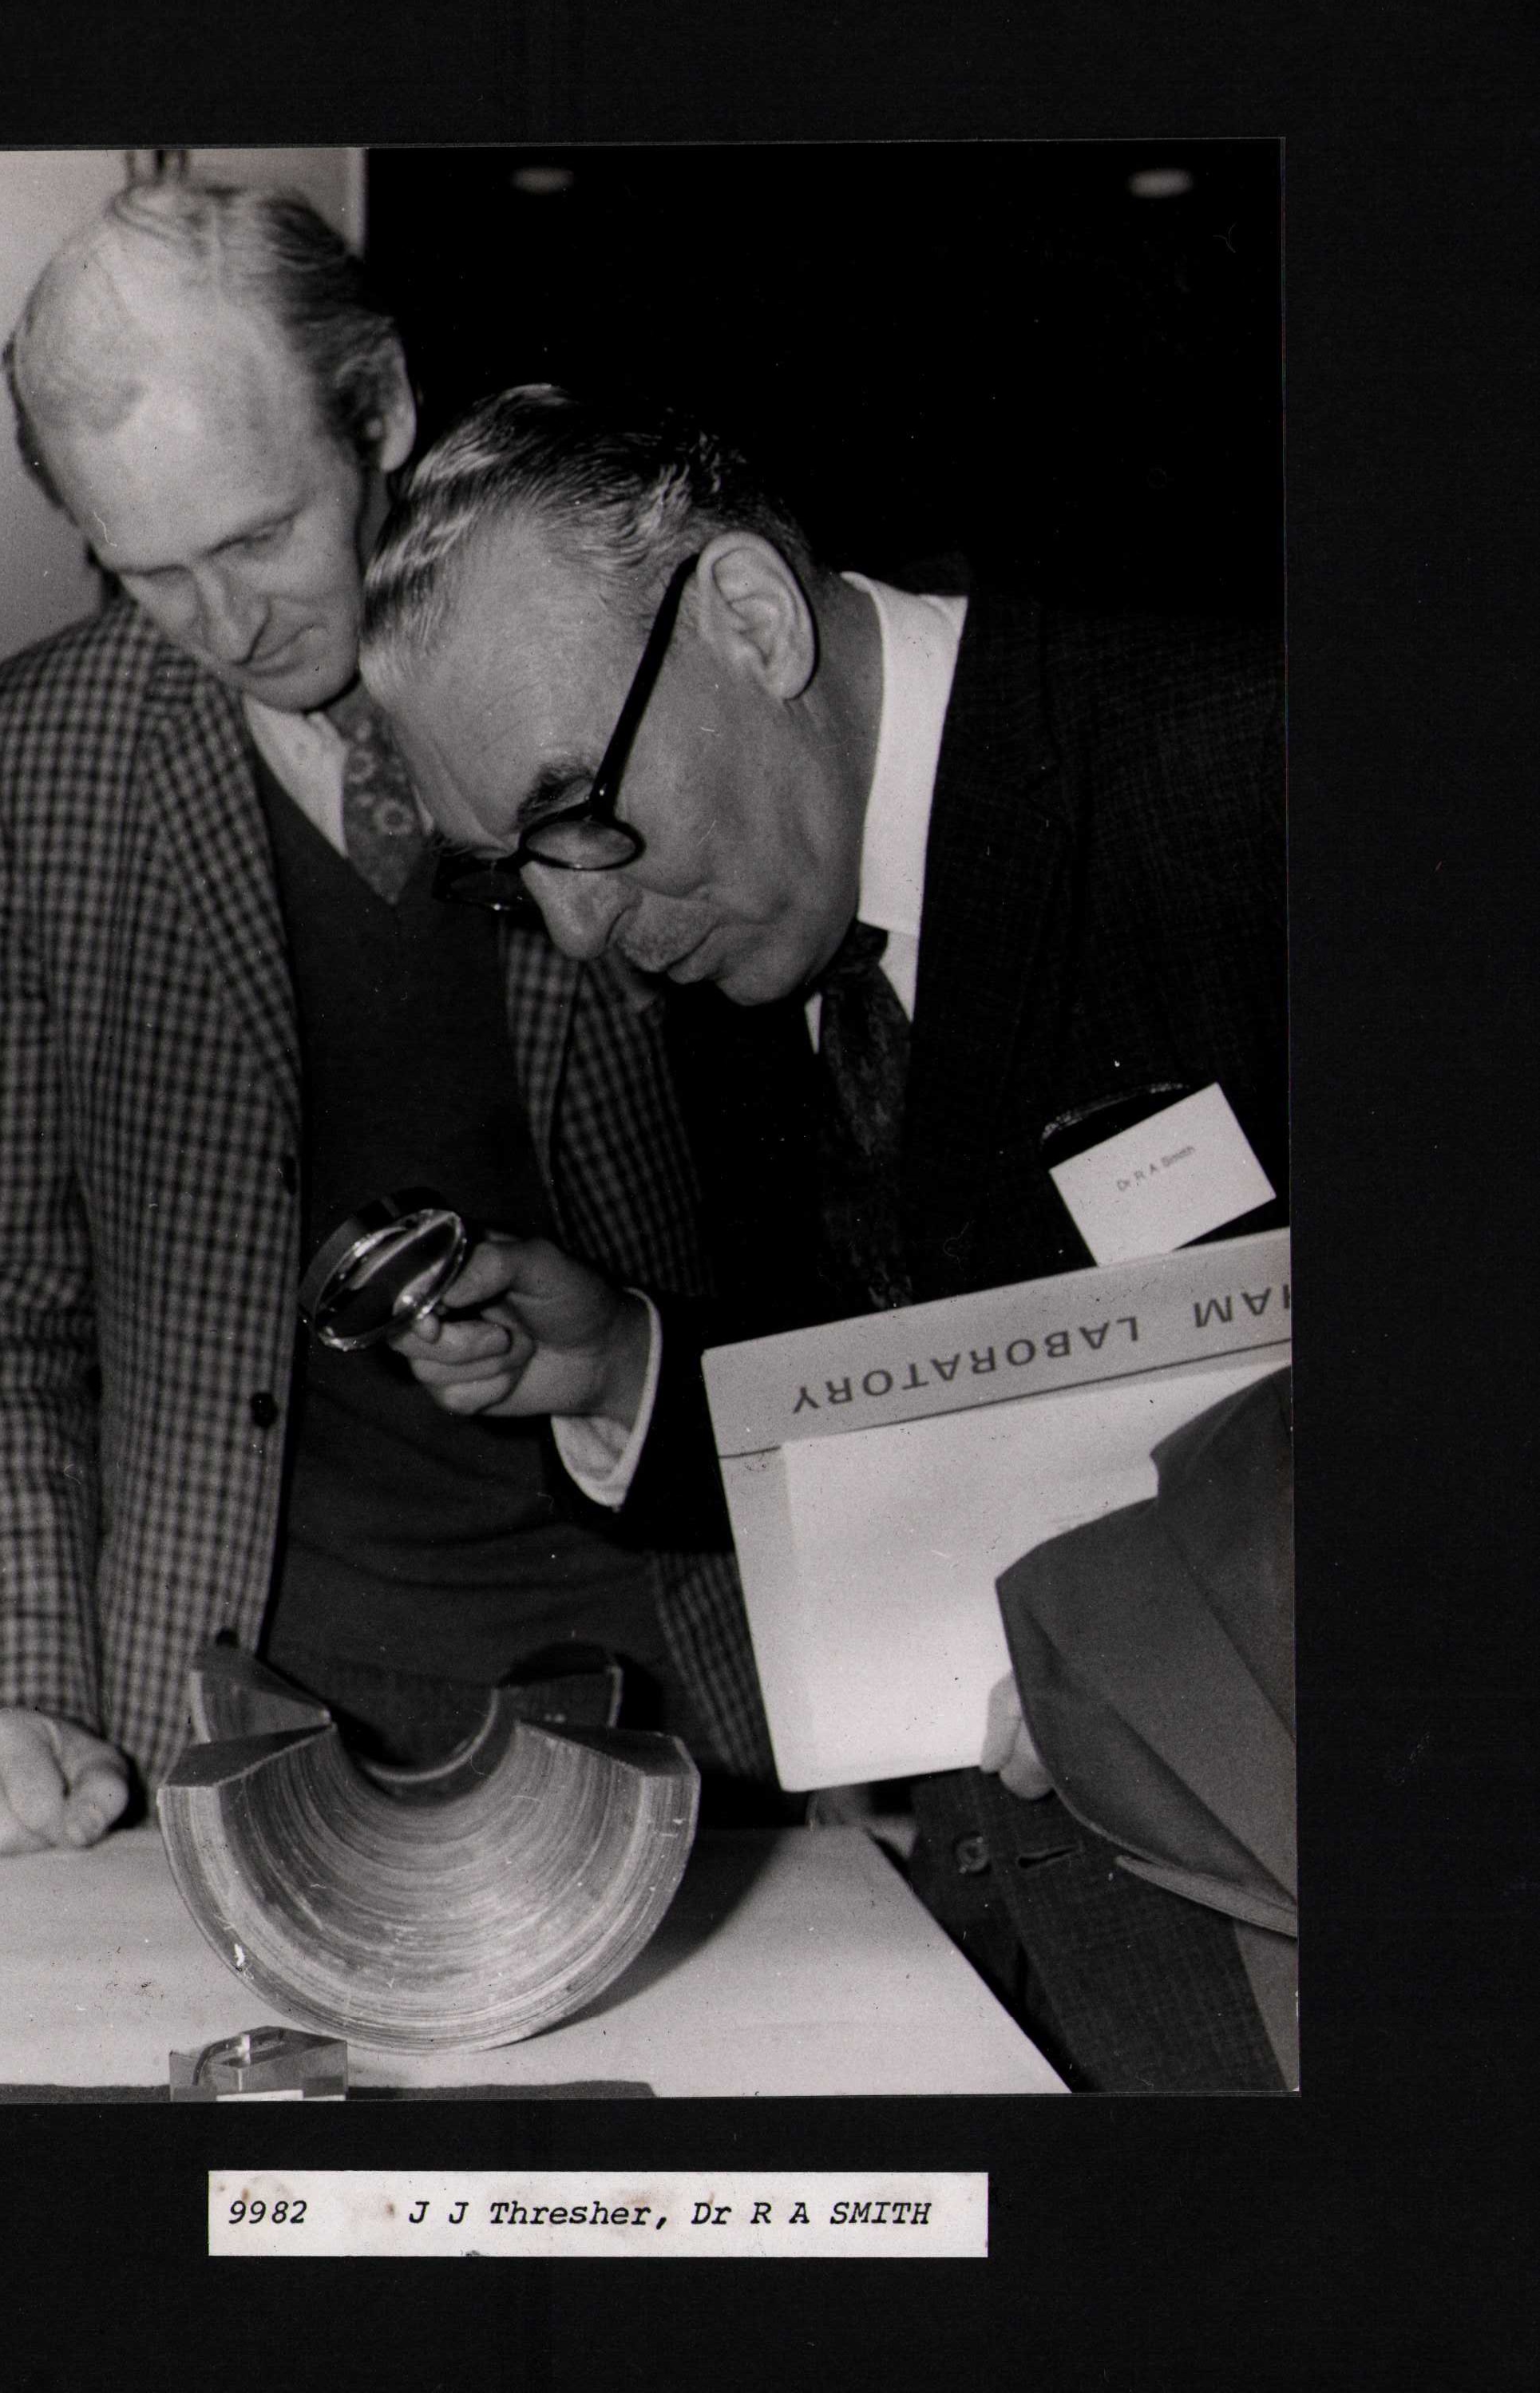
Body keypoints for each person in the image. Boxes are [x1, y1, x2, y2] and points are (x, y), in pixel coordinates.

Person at [357, 384, 1290, 2090]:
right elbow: (933, 1392)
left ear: (752, 617)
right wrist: (623, 1365)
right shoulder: (742, 924)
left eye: (576, 812)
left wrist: (1142, 1639)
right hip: (1022, 1970)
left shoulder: (1261, 769)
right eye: (512, 871)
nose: (583, 927)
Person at [0, 192, 778, 1861]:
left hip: (674, 1674)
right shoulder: (29, 763)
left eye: (259, 537)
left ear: (381, 411)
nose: (228, 625)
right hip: (223, 1703)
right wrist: (22, 1691)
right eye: (150, 573)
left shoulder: (615, 677)